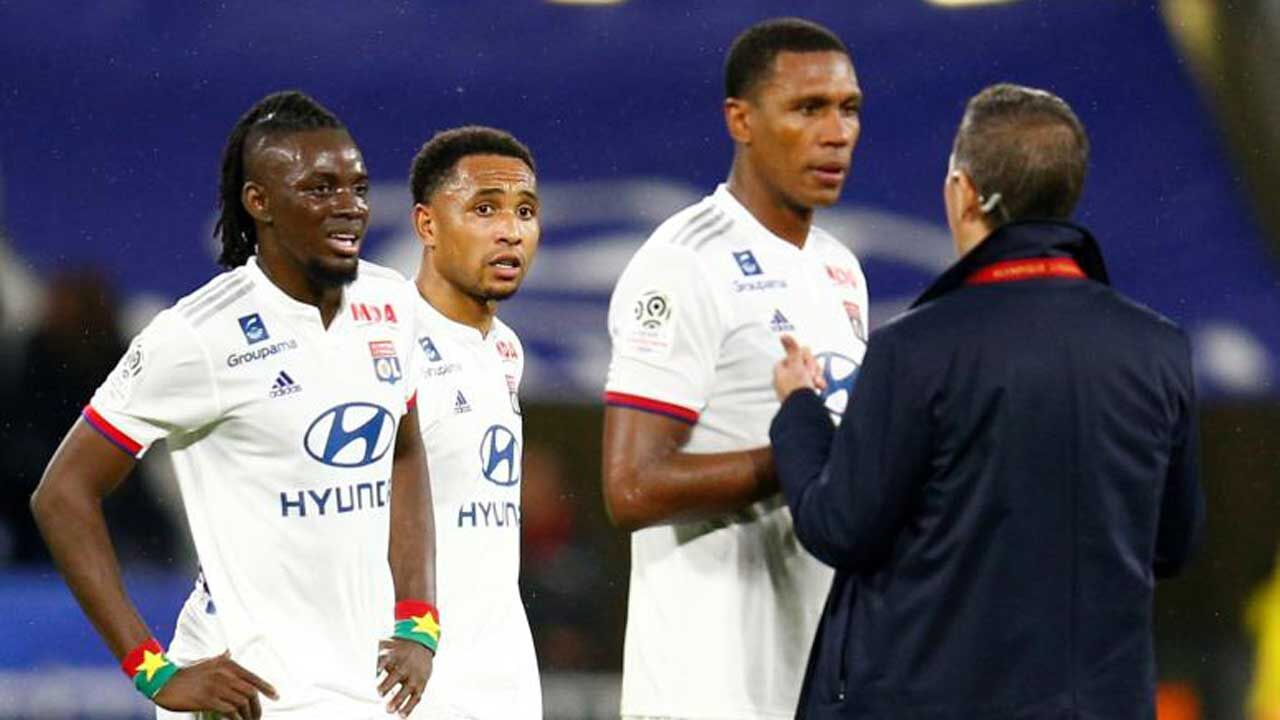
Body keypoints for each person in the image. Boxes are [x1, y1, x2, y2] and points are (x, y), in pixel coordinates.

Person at [769, 83, 1205, 719]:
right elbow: (1172, 544)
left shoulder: (915, 349)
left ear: (963, 192)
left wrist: (799, 411)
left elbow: (839, 527)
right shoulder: (1159, 349)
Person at [29, 90, 438, 720]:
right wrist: (152, 670)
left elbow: (404, 450)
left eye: (357, 187)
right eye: (320, 189)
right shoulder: (199, 335)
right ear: (259, 202)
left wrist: (417, 618)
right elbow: (62, 494)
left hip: (365, 683)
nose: (350, 207)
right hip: (249, 691)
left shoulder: (392, 303)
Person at [601, 18, 869, 719]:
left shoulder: (840, 269)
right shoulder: (685, 262)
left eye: (848, 109)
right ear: (741, 120)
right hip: (704, 686)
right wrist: (810, 456)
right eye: (808, 109)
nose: (836, 133)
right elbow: (631, 486)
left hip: (810, 677)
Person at [404, 126, 541, 718]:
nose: (511, 231)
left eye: (525, 211)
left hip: (500, 677)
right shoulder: (380, 343)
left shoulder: (506, 348)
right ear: (427, 225)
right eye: (485, 209)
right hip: (405, 677)